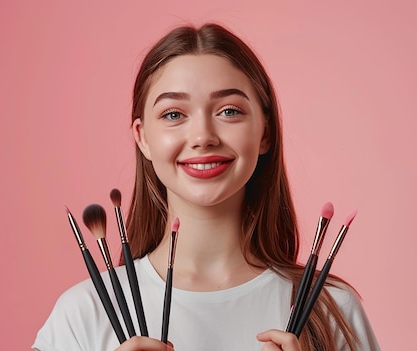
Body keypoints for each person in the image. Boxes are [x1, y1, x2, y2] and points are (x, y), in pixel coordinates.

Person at [32, 23, 380, 351]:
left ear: (266, 132)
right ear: (143, 138)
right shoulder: (83, 312)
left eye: (229, 111)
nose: (202, 137)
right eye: (173, 114)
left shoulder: (330, 310)